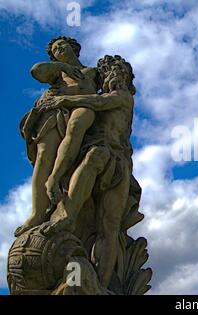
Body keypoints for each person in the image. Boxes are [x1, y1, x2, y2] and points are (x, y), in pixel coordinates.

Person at [41, 55, 137, 289]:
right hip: (101, 151)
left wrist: (63, 100)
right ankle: (68, 215)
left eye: (121, 73)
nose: (116, 77)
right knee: (94, 157)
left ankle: (102, 286)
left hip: (119, 163)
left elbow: (100, 103)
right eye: (111, 74)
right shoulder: (97, 99)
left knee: (110, 226)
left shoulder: (123, 97)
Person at [15, 36, 99, 237]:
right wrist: (62, 67)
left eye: (62, 46)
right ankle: (37, 213)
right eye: (55, 50)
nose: (59, 49)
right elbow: (36, 71)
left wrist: (67, 95)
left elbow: (97, 92)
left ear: (74, 48)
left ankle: (57, 181)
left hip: (81, 108)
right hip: (54, 112)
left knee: (77, 127)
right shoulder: (58, 74)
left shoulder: (92, 71)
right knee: (43, 156)